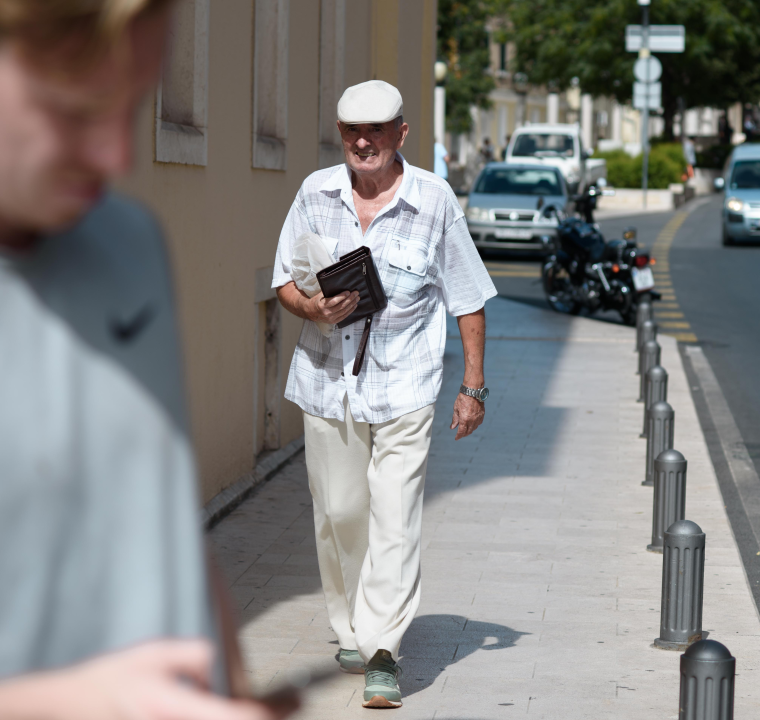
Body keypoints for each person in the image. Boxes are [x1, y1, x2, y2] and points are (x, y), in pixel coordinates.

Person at [0, 2, 291, 719]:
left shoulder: (130, 244)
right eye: (75, 111)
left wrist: (238, 689)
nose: (116, 159)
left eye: (134, 106)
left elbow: (159, 514)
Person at [271, 80, 496, 709]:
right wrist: (311, 308)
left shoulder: (433, 200)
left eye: (376, 131)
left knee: (394, 517)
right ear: (340, 134)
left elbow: (468, 295)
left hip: (405, 385)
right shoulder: (315, 193)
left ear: (401, 132)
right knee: (340, 512)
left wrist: (472, 386)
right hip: (325, 381)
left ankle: (382, 651)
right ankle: (348, 624)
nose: (362, 142)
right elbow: (283, 281)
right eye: (351, 132)